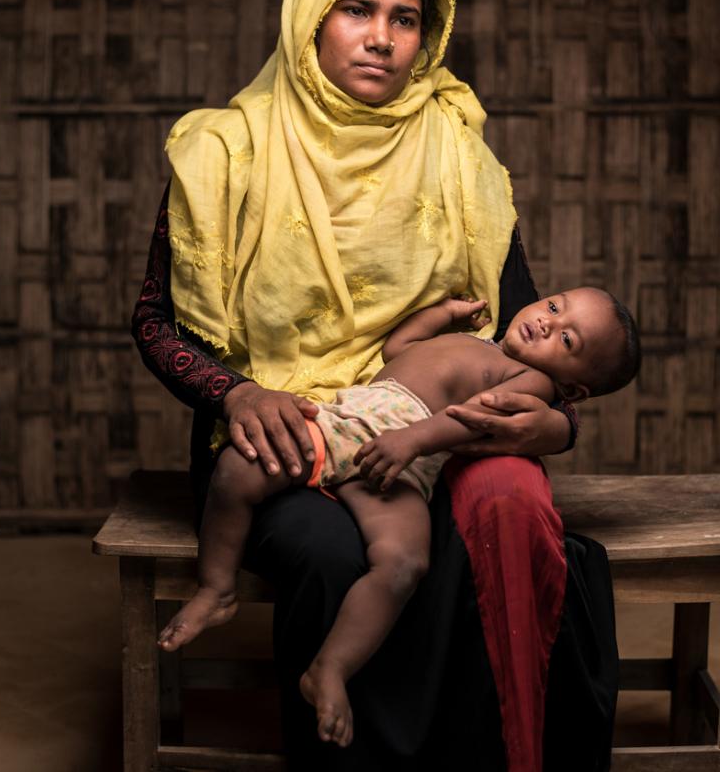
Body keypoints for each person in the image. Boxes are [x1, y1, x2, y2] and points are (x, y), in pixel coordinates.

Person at [132, 0, 619, 772]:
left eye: (404, 20)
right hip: (276, 432)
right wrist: (239, 395)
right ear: (310, 17)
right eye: (357, 10)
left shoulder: (456, 152)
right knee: (328, 551)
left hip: (424, 430)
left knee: (456, 535)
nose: (381, 37)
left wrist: (560, 430)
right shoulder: (224, 151)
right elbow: (153, 321)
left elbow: (522, 329)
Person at [156, 287, 640, 751]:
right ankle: (216, 588)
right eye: (554, 306)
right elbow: (397, 348)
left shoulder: (533, 382)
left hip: (406, 459)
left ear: (573, 386)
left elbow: (476, 417)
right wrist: (443, 314)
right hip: (346, 422)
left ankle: (331, 668)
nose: (546, 322)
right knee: (236, 469)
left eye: (567, 339)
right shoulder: (476, 341)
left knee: (404, 563)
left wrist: (411, 442)